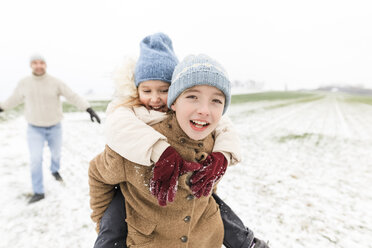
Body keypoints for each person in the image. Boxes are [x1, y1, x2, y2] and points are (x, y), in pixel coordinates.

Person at [89, 53, 269, 247]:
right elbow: (98, 174)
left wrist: (224, 156)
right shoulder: (134, 142)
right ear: (174, 102)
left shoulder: (214, 141)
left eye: (216, 100)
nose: (204, 110)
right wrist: (105, 227)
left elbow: (209, 192)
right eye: (192, 96)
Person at [0, 54, 101, 204]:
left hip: (54, 126)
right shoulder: (24, 83)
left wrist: (88, 109)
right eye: (35, 63)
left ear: (45, 65)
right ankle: (38, 191)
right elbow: (13, 99)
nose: (38, 65)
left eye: (41, 63)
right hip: (34, 128)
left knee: (55, 155)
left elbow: (72, 96)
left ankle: (54, 170)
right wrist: (1, 108)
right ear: (31, 65)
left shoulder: (55, 82)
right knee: (35, 159)